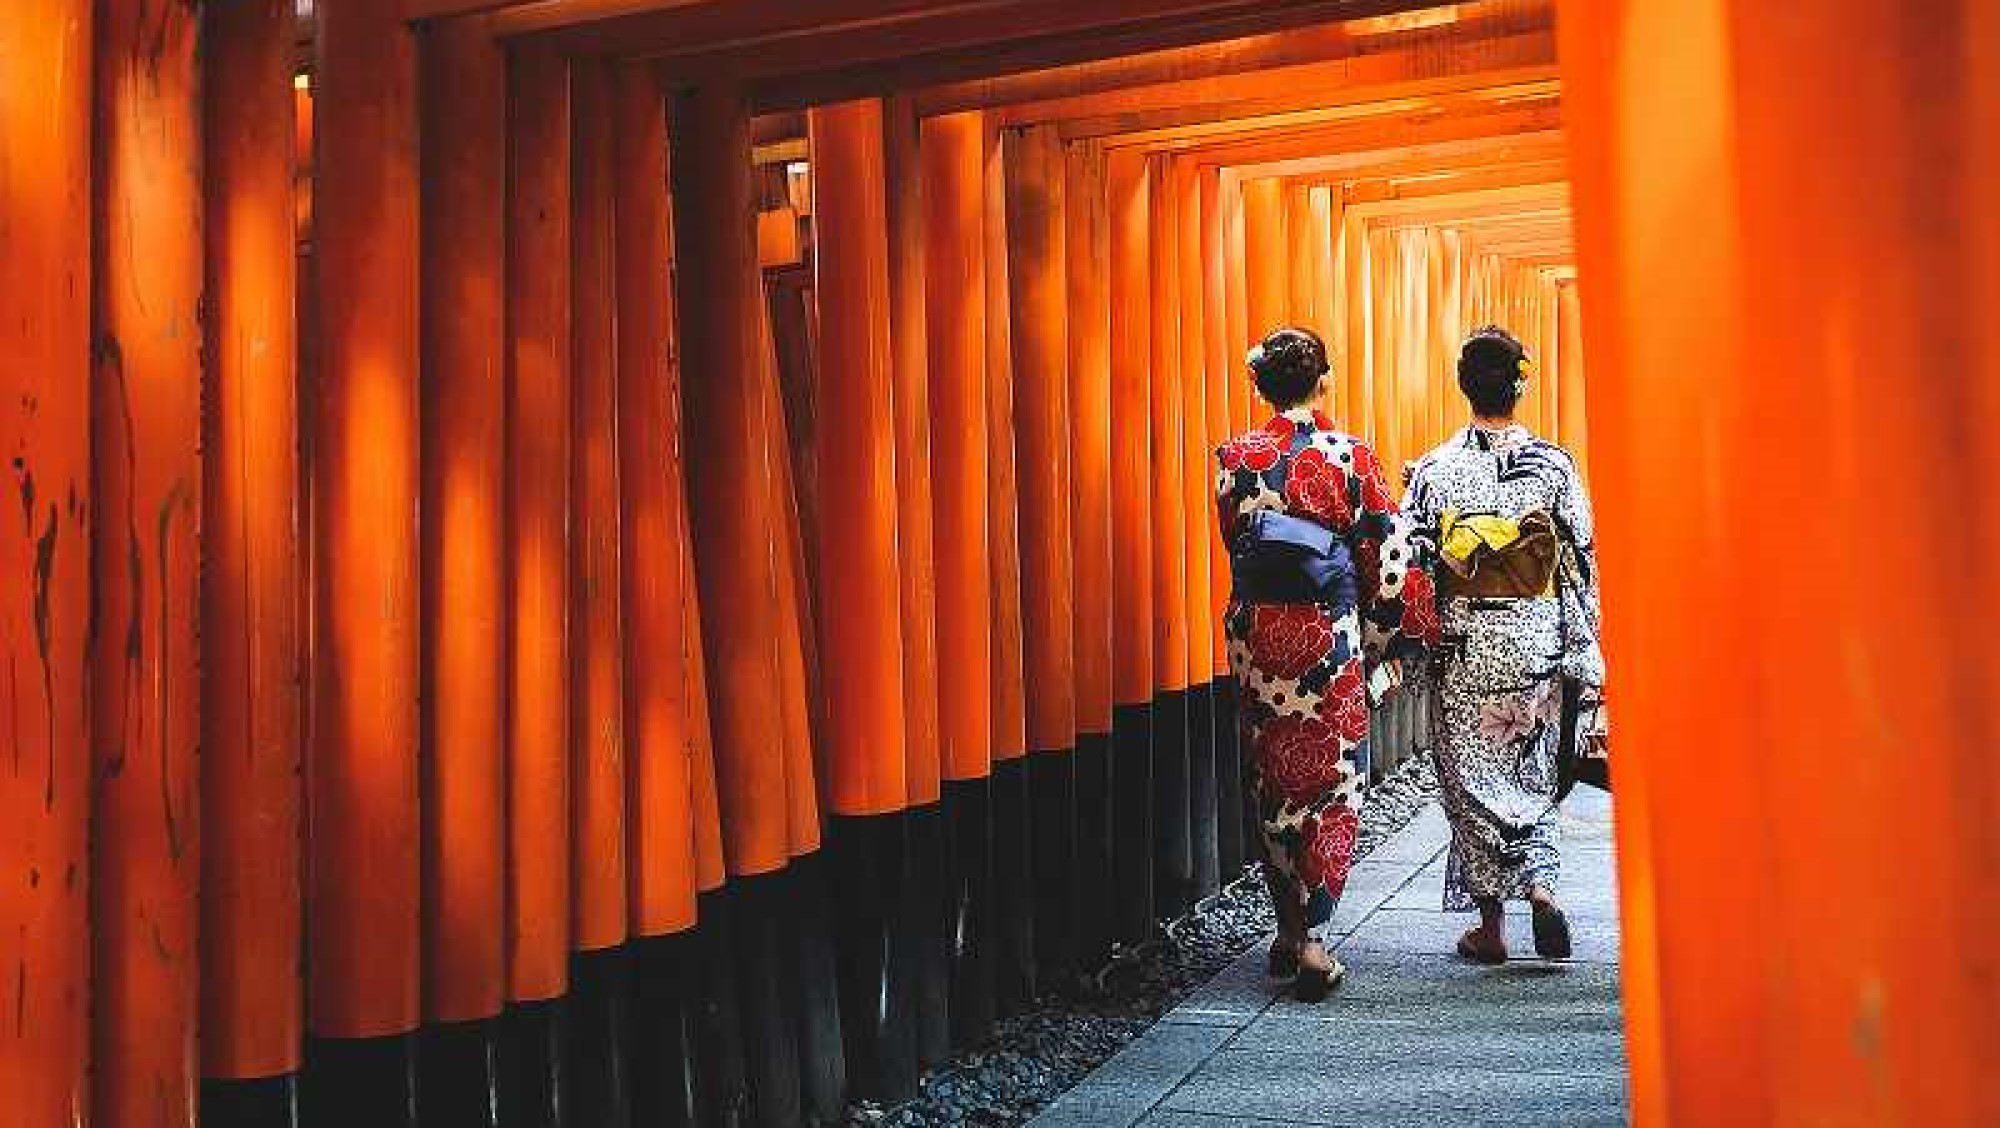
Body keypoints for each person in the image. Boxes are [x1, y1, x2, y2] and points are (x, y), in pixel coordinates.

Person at [1215, 326, 1437, 1000]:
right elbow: (1386, 555)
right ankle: (1313, 939)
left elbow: (1235, 540)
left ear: (1260, 385)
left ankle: (1286, 927)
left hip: (1261, 635)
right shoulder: (1351, 454)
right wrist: (1393, 637)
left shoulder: (1236, 457)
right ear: (1324, 381)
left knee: (1272, 775)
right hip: (1326, 634)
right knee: (1334, 782)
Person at [1402, 326, 1609, 963]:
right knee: (1532, 765)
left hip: (1468, 636)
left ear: (1464, 387)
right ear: (1521, 386)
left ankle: (1492, 927)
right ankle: (1542, 889)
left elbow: (1410, 558)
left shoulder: (1434, 470)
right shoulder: (1556, 465)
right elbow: (1581, 554)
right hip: (1536, 635)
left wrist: (1416, 638)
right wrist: (1587, 637)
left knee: (1469, 778)